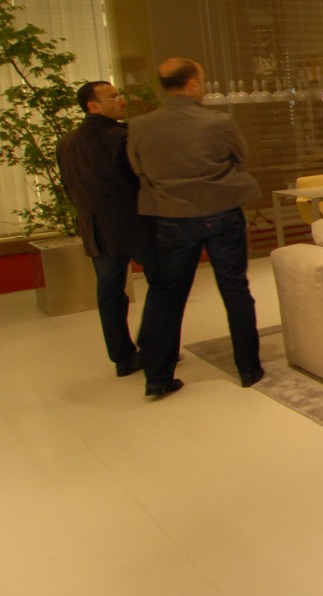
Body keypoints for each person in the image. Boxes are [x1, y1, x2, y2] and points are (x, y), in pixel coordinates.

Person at [126, 58, 264, 399]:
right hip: (221, 212)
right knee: (235, 290)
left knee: (167, 296)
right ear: (191, 84)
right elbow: (241, 156)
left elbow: (138, 168)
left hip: (171, 216)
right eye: (202, 80)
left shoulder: (140, 126)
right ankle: (249, 369)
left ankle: (158, 377)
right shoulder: (218, 122)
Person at [56, 81, 154, 377]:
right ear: (93, 106)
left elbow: (69, 187)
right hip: (136, 223)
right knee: (163, 285)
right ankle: (154, 347)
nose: (121, 100)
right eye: (113, 97)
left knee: (110, 293)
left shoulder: (66, 143)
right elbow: (143, 180)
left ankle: (123, 358)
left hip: (96, 228)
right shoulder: (122, 137)